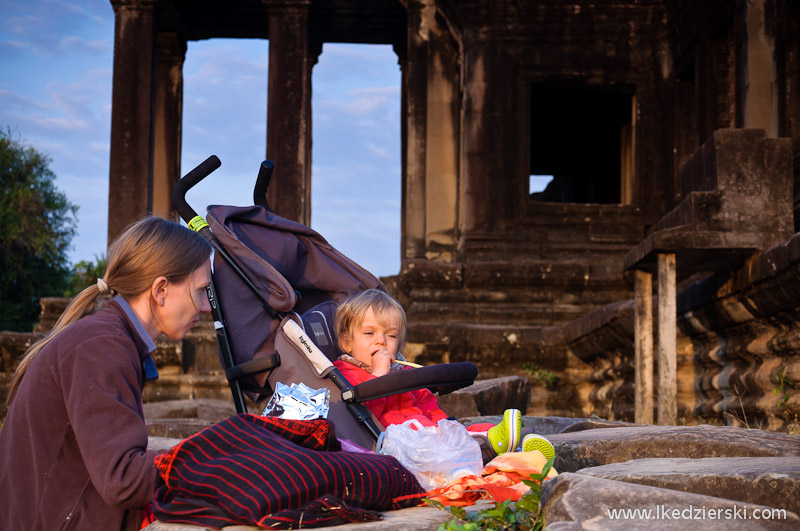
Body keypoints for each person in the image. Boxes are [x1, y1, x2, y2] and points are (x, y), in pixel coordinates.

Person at [0, 216, 213, 531]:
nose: (206, 307)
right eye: (200, 291)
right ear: (162, 290)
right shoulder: (102, 346)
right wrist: (217, 462)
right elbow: (122, 479)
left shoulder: (110, 338)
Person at [332, 289, 555, 463]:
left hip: (431, 432)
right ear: (347, 341)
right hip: (403, 442)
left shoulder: (405, 375)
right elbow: (364, 413)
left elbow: (430, 408)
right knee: (450, 440)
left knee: (463, 430)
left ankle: (510, 442)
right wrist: (379, 374)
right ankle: (494, 446)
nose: (381, 341)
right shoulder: (346, 374)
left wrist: (448, 428)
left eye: (390, 335)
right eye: (369, 333)